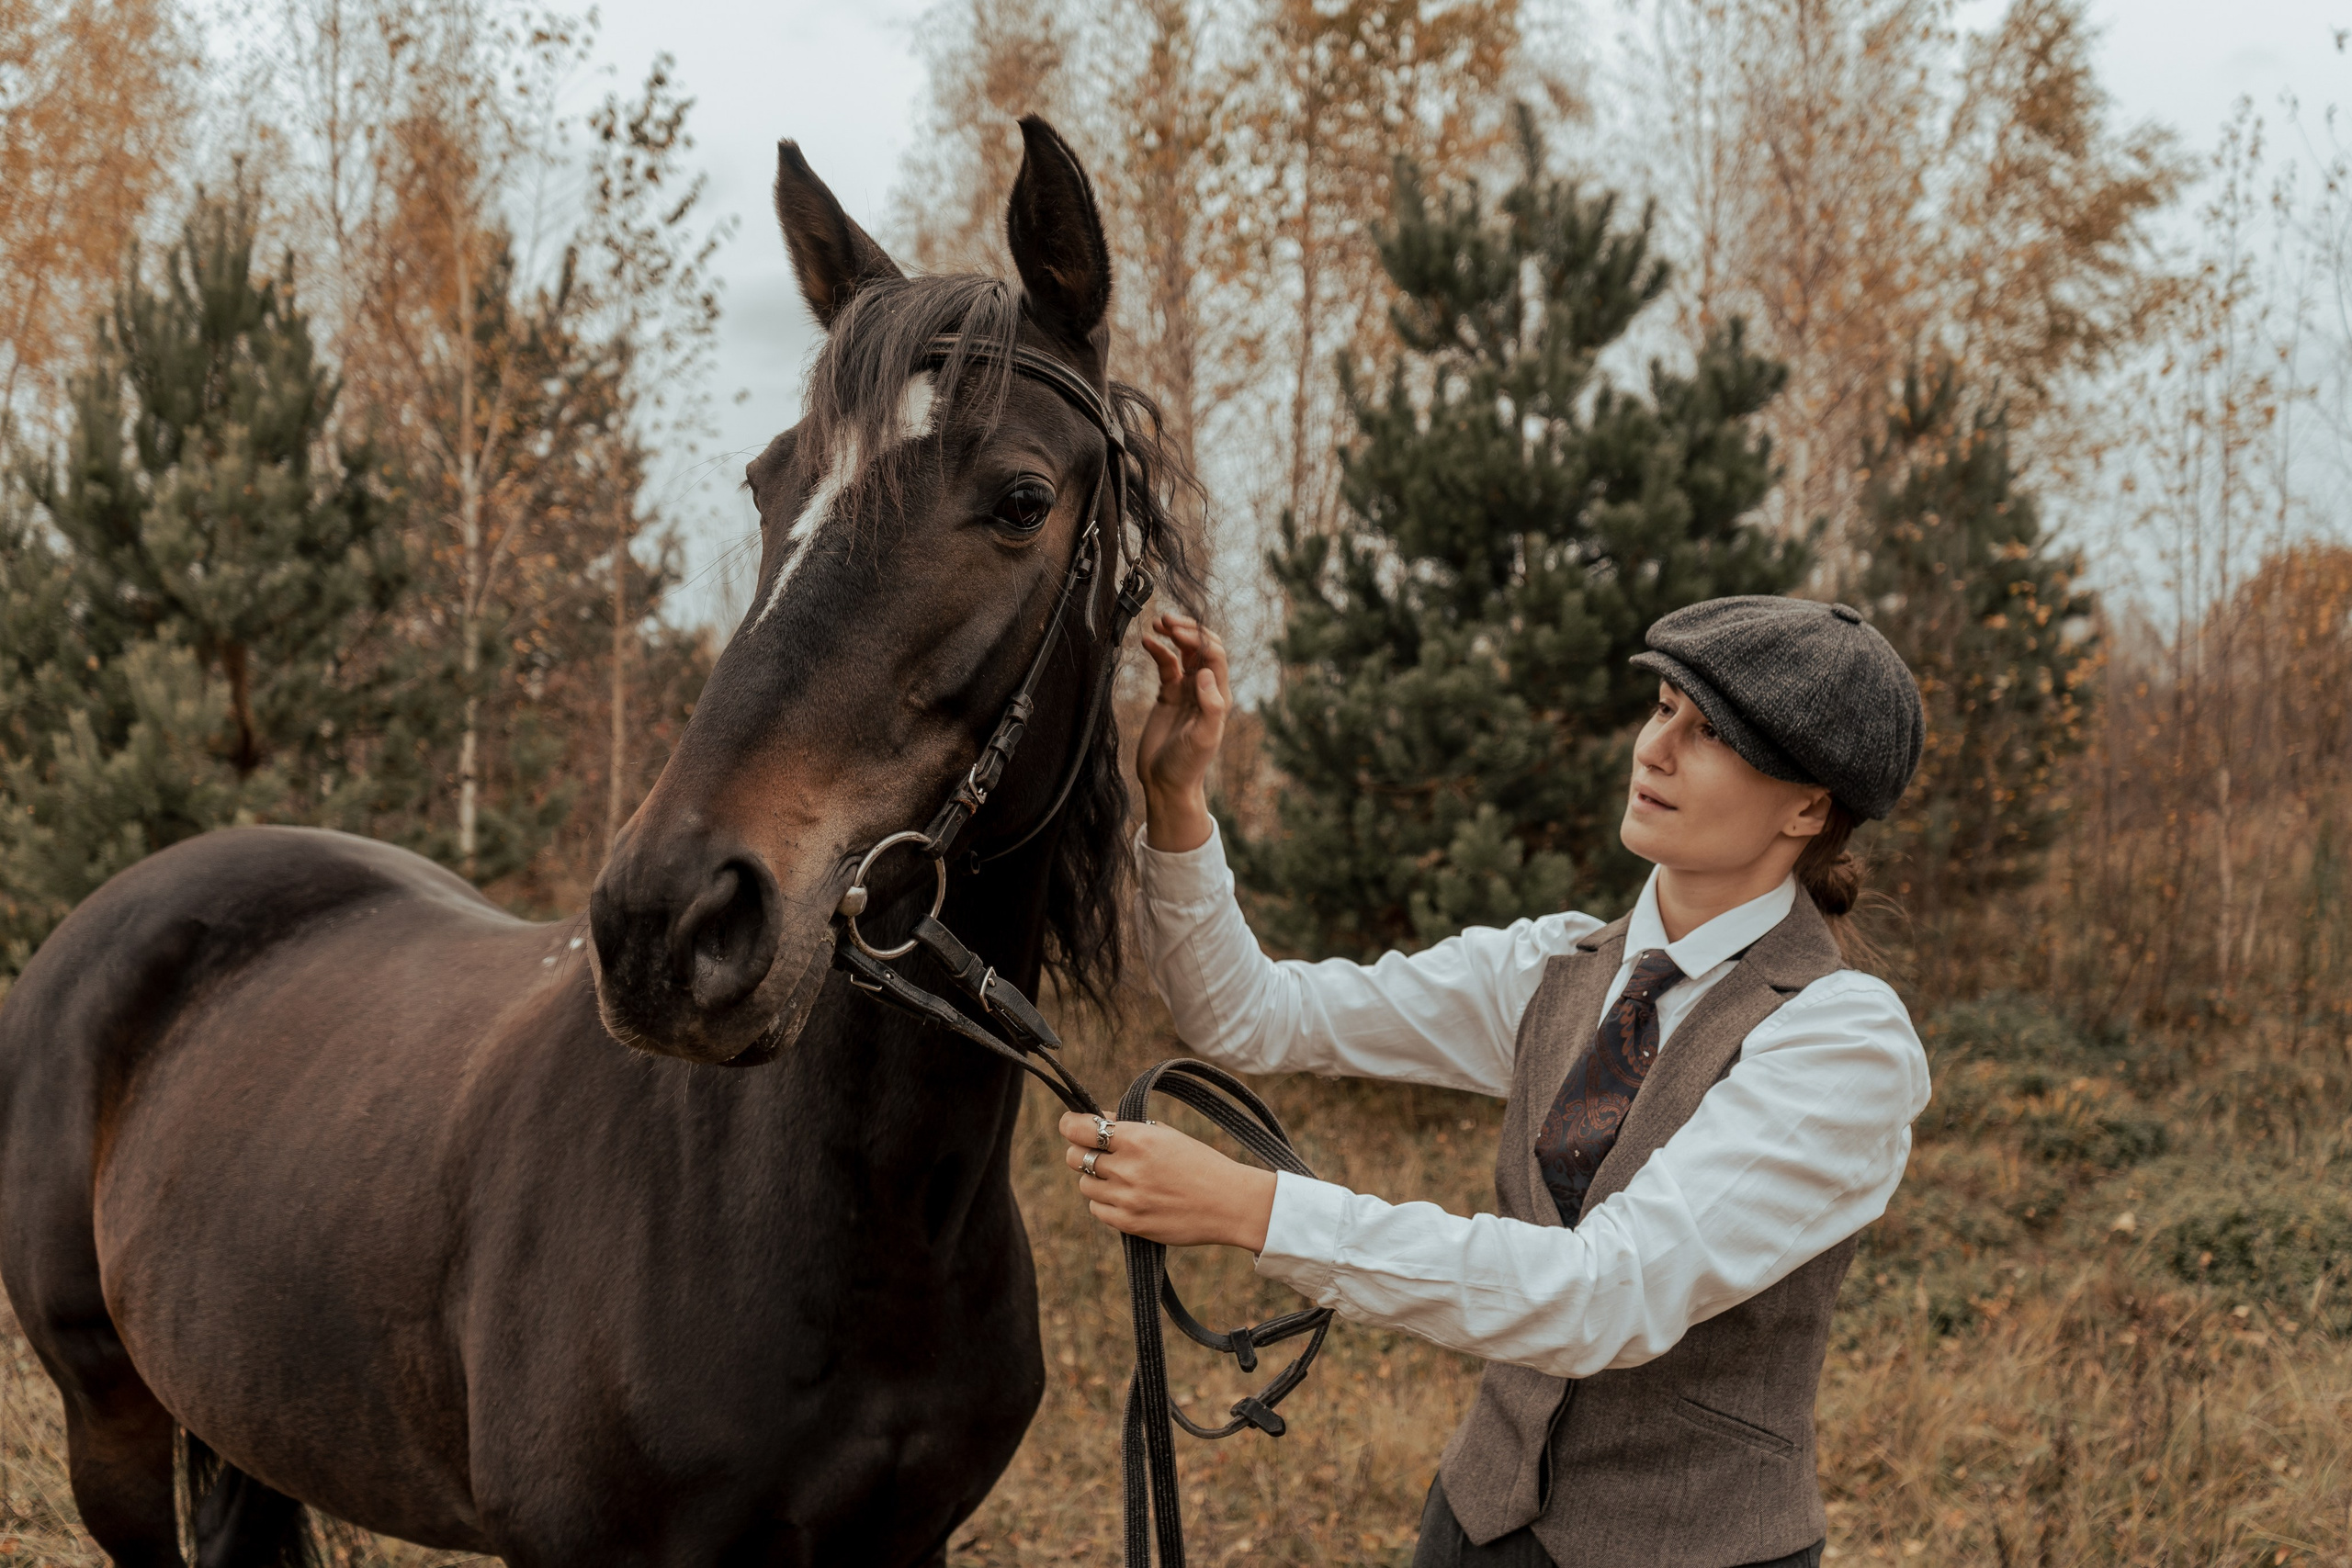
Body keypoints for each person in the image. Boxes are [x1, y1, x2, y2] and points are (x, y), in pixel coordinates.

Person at [1057, 595, 1933, 1568]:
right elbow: (1251, 1014)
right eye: (1663, 709)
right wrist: (1177, 804)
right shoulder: (1554, 968)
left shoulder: (1841, 1042)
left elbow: (1610, 1294)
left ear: (1808, 807)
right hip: (1471, 1525)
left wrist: (1260, 1209)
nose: (1655, 749)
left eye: (1711, 733)